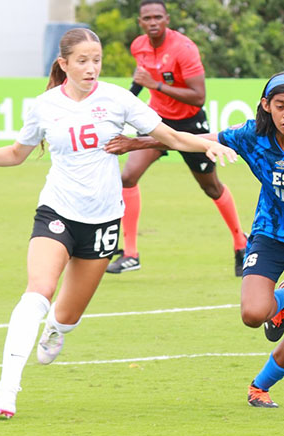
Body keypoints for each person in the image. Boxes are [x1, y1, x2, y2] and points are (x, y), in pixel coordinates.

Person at [0, 28, 236, 418]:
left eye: (96, 60)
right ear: (64, 64)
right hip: (57, 211)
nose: (91, 68)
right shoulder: (44, 106)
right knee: (39, 290)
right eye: (82, 61)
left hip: (103, 221)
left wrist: (207, 143)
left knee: (66, 317)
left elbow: (170, 136)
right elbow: (18, 153)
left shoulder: (117, 100)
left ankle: (57, 329)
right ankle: (7, 389)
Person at [105, 72, 284, 408]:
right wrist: (137, 142)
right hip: (271, 232)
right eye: (280, 106)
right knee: (253, 314)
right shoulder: (251, 134)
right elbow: (189, 139)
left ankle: (260, 387)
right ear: (266, 106)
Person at [107, 0, 247, 276]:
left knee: (211, 188)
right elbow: (140, 79)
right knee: (127, 177)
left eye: (158, 16)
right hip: (156, 120)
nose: (153, 22)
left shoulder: (184, 49)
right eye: (147, 18)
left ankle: (241, 244)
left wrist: (156, 85)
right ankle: (131, 253)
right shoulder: (139, 46)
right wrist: (120, 109)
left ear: (167, 19)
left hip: (191, 125)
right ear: (140, 22)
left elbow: (199, 96)